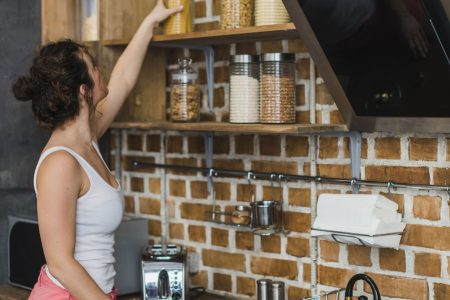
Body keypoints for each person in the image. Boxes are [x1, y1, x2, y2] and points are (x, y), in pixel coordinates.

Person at [12, 1, 182, 299]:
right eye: (94, 65)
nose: (101, 69)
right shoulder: (60, 162)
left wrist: (151, 20)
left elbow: (125, 79)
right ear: (83, 90)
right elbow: (60, 263)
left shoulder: (88, 139)